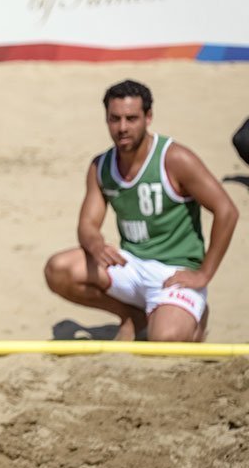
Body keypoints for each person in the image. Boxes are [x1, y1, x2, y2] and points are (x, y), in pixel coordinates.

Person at [45, 79, 239, 342]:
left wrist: (204, 273)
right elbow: (87, 225)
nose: (122, 128)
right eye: (115, 119)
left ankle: (193, 318)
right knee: (58, 269)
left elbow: (227, 211)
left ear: (148, 117)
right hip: (132, 265)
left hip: (175, 273)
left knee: (164, 340)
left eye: (131, 118)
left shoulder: (174, 158)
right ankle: (132, 315)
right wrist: (96, 244)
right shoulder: (101, 166)